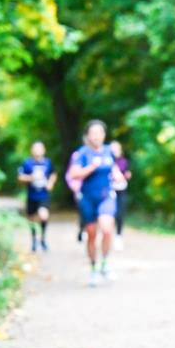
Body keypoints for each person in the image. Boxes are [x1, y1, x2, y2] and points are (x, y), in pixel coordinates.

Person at [67, 120, 122, 286]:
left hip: (106, 195)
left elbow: (113, 168)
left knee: (106, 229)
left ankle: (105, 263)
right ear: (88, 136)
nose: (96, 136)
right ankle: (93, 269)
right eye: (93, 133)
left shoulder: (108, 151)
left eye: (99, 133)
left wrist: (117, 174)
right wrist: (91, 167)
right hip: (88, 197)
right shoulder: (82, 153)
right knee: (91, 234)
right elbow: (74, 174)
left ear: (104, 135)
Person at [17, 141, 56, 252]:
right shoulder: (27, 163)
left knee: (44, 216)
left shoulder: (48, 163)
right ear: (32, 151)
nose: (37, 151)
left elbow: (53, 174)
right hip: (31, 196)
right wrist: (31, 178)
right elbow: (20, 177)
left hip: (44, 195)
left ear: (44, 150)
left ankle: (43, 239)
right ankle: (34, 240)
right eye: (35, 149)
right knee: (32, 219)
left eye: (39, 149)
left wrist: (50, 183)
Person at [110, 140, 132, 250]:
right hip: (109, 191)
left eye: (116, 149)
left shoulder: (124, 161)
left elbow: (127, 173)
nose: (114, 151)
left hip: (121, 190)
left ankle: (118, 236)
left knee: (120, 214)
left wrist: (126, 176)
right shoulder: (106, 161)